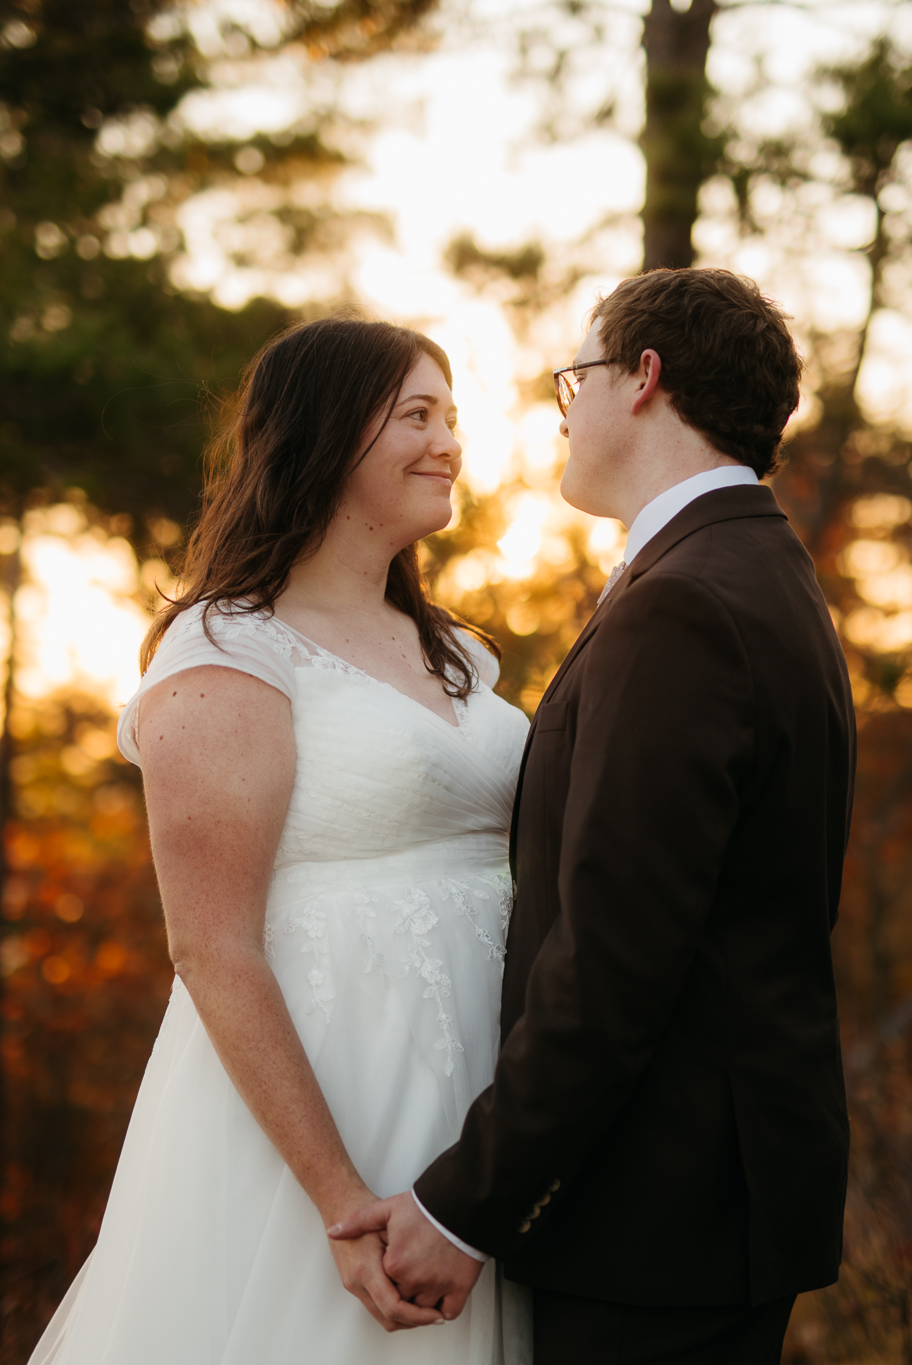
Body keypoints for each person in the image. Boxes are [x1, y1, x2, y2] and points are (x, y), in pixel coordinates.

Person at [330, 268, 859, 1365]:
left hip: (664, 1215)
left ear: (643, 380)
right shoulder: (753, 568)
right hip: (712, 1201)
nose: (562, 407)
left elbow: (616, 960)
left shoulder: (684, 605)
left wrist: (463, 1204)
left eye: (578, 376)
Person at [28, 316, 534, 1364]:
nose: (449, 443)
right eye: (416, 416)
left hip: (480, 1101)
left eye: (452, 417)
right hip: (332, 1098)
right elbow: (211, 945)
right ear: (326, 435)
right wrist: (338, 1196)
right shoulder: (225, 645)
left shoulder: (454, 654)